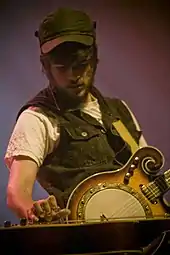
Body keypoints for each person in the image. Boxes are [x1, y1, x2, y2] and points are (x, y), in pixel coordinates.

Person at [4, 7, 147, 223]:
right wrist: (34, 210)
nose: (74, 76)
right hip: (83, 241)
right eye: (62, 68)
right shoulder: (38, 117)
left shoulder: (119, 111)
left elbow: (148, 176)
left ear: (94, 59)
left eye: (81, 65)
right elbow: (17, 195)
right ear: (46, 66)